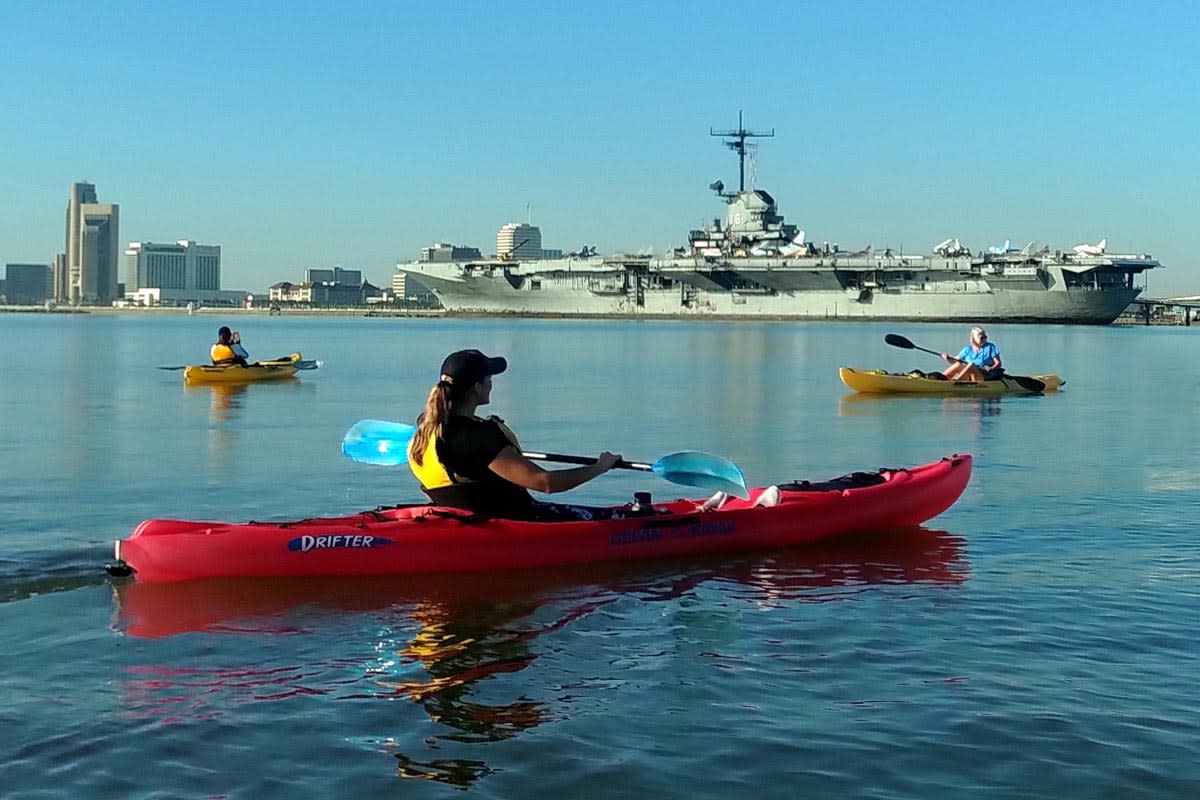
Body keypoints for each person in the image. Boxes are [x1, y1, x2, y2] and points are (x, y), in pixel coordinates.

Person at [407, 349, 622, 521]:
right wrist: (599, 467)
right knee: (624, 519)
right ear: (477, 387)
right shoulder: (477, 437)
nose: (492, 383)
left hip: (458, 517)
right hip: (509, 522)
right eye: (489, 377)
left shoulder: (426, 426)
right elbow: (545, 482)